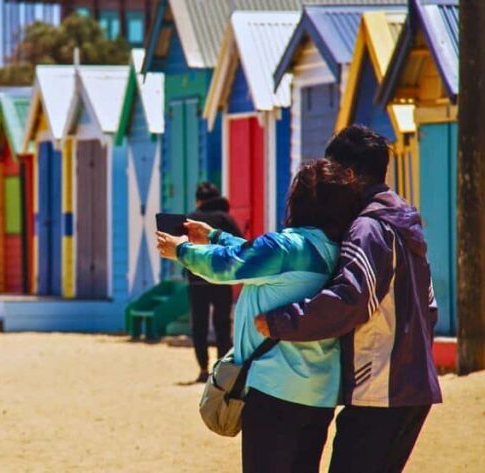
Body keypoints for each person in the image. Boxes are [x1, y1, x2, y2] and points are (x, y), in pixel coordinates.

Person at [255, 125, 442, 473]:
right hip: (411, 386)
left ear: (350, 174)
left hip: (380, 390)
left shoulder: (368, 227)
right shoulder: (403, 223)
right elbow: (429, 307)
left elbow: (350, 299)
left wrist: (282, 322)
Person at [157, 160, 364, 473]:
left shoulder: (286, 245)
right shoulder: (334, 252)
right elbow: (256, 257)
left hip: (274, 390)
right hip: (319, 394)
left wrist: (181, 251)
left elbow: (229, 266)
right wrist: (215, 237)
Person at [185, 182, 241, 383]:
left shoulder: (192, 218)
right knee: (222, 325)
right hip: (221, 280)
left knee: (199, 325)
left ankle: (202, 369)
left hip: (196, 280)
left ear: (199, 200)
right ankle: (221, 368)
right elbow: (239, 244)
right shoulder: (225, 218)